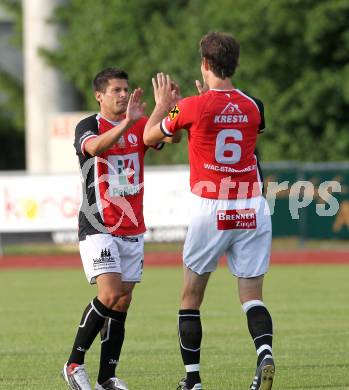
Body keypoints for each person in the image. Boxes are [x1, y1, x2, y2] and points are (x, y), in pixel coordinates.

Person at [143, 32, 274, 390]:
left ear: (204, 63)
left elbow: (151, 136)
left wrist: (163, 104)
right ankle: (264, 353)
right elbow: (232, 122)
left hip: (211, 207)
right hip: (251, 205)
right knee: (251, 296)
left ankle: (193, 380)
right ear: (235, 64)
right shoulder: (254, 105)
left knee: (191, 296)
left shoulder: (188, 106)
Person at [62, 67, 179, 390]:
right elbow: (96, 148)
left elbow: (171, 134)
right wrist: (128, 122)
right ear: (99, 95)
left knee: (123, 301)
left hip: (132, 224)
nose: (123, 94)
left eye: (125, 89)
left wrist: (172, 106)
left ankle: (106, 379)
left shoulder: (140, 124)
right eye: (116, 90)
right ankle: (73, 364)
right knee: (110, 293)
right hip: (98, 223)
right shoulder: (89, 125)